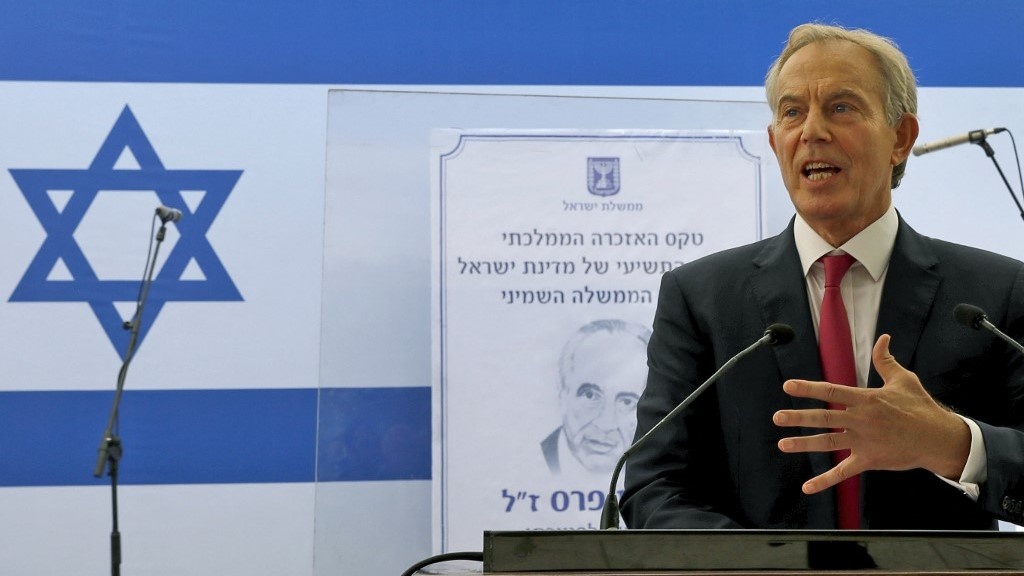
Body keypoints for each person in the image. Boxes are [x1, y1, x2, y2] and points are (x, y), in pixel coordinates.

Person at [621, 22, 1024, 530]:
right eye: (792, 112)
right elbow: (652, 487)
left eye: (841, 107)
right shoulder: (701, 297)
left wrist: (954, 444)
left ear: (901, 137)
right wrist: (763, 570)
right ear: (774, 142)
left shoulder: (994, 294)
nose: (811, 130)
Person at [542, 319, 650, 475]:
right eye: (590, 395)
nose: (606, 424)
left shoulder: (665, 471)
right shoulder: (526, 459)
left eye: (627, 402)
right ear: (562, 392)